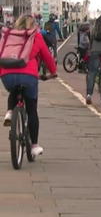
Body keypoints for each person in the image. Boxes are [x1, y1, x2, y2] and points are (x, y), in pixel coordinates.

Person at [0, 14, 57, 156]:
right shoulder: (35, 36)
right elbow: (47, 57)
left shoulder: (9, 35)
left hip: (7, 74)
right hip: (29, 75)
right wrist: (53, 72)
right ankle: (34, 146)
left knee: (14, 89)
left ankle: (9, 112)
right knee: (31, 109)